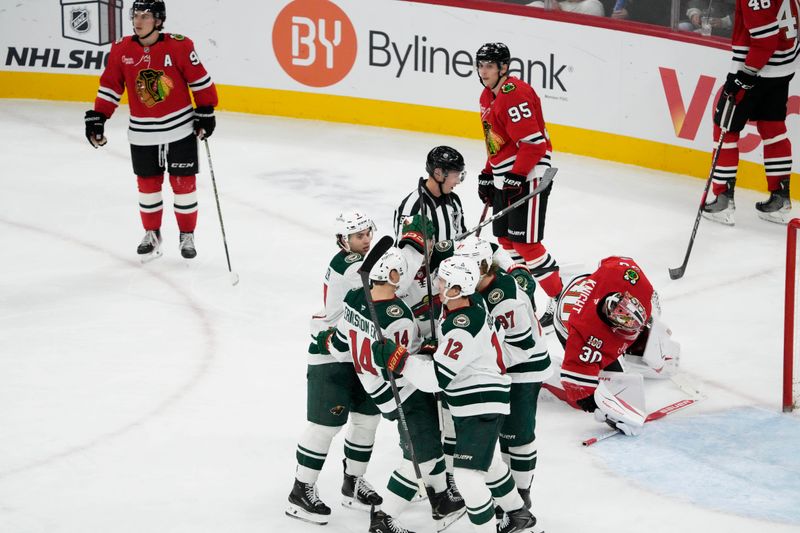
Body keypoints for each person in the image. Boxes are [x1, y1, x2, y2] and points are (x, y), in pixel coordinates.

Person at [378, 256, 538, 533]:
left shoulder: (462, 326)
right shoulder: (467, 305)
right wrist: (435, 349)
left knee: (465, 476)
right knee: (490, 464)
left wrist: (399, 359)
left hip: (480, 403)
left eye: (442, 281)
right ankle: (518, 513)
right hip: (477, 400)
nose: (437, 283)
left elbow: (435, 380)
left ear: (455, 288)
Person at [322, 247, 465, 533]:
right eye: (401, 272)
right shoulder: (397, 314)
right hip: (405, 392)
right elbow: (401, 362)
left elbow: (339, 346)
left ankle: (441, 501)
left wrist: (327, 340)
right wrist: (429, 349)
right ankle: (384, 518)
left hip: (376, 389)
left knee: (429, 447)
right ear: (392, 274)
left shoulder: (354, 297)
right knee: (421, 457)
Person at [84, 0, 218, 260]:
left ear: (158, 20)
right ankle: (152, 233)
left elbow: (200, 79)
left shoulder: (179, 46)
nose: (138, 20)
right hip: (142, 132)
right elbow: (111, 86)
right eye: (136, 15)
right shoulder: (121, 49)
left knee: (183, 185)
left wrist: (206, 110)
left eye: (145, 16)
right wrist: (99, 115)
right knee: (147, 186)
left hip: (180, 128)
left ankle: (187, 234)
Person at [286, 211, 383, 525]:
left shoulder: (361, 260)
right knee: (325, 426)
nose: (366, 240)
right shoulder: (351, 266)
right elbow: (387, 281)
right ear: (344, 240)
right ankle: (301, 490)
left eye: (368, 233)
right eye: (358, 236)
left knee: (367, 419)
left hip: (360, 351)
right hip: (332, 352)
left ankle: (353, 482)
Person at [454, 237, 552, 512]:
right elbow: (495, 248)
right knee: (504, 436)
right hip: (504, 367)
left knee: (517, 435)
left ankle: (521, 496)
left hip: (524, 368)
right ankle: (509, 493)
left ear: (484, 267)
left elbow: (522, 347)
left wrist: (483, 363)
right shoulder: (482, 281)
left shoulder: (505, 299)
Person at [475, 42, 563, 328]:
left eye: (489, 65)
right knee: (507, 241)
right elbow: (496, 144)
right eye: (480, 64)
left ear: (503, 68)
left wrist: (517, 174)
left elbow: (534, 144)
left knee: (526, 243)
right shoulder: (486, 96)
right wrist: (489, 173)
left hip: (531, 174)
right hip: (509, 176)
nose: (483, 70)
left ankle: (560, 298)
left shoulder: (515, 94)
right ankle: (525, 296)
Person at [702, 0, 799, 225]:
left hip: (757, 70)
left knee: (724, 127)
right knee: (774, 129)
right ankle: (780, 198)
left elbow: (765, 40)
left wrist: (745, 76)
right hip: (783, 70)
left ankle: (723, 199)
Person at [552, 257, 662, 436]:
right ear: (613, 325)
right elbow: (578, 387)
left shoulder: (619, 275)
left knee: (646, 333)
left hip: (584, 284)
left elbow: (613, 261)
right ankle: (550, 379)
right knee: (613, 381)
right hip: (566, 322)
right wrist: (602, 409)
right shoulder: (586, 334)